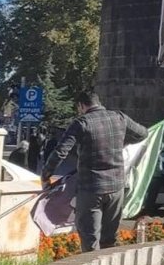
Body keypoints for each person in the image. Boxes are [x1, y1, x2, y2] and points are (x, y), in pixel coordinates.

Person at [40, 91, 148, 253]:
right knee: (109, 239)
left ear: (81, 106)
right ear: (98, 102)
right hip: (116, 187)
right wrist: (121, 143)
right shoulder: (119, 118)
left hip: (91, 189)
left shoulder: (82, 123)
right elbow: (143, 133)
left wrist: (46, 176)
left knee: (90, 239)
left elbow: (60, 152)